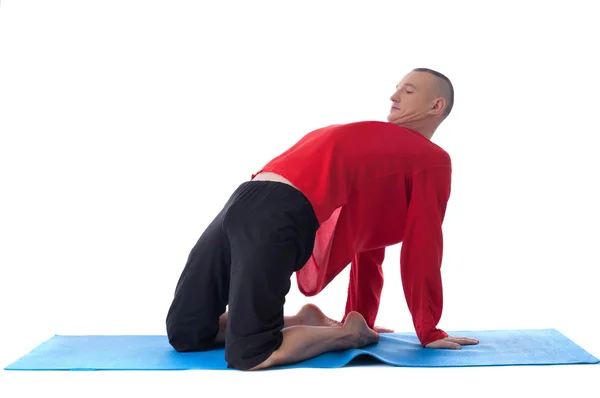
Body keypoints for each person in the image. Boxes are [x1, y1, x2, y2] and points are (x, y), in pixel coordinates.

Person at [165, 67, 478, 371]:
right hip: (242, 198)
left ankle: (349, 334)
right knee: (187, 333)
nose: (394, 95)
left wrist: (428, 328)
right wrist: (360, 313)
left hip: (279, 212)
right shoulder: (379, 145)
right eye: (397, 87)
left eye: (408, 90)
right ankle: (307, 322)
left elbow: (423, 243)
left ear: (436, 106)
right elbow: (366, 235)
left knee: (251, 354)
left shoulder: (433, 159)